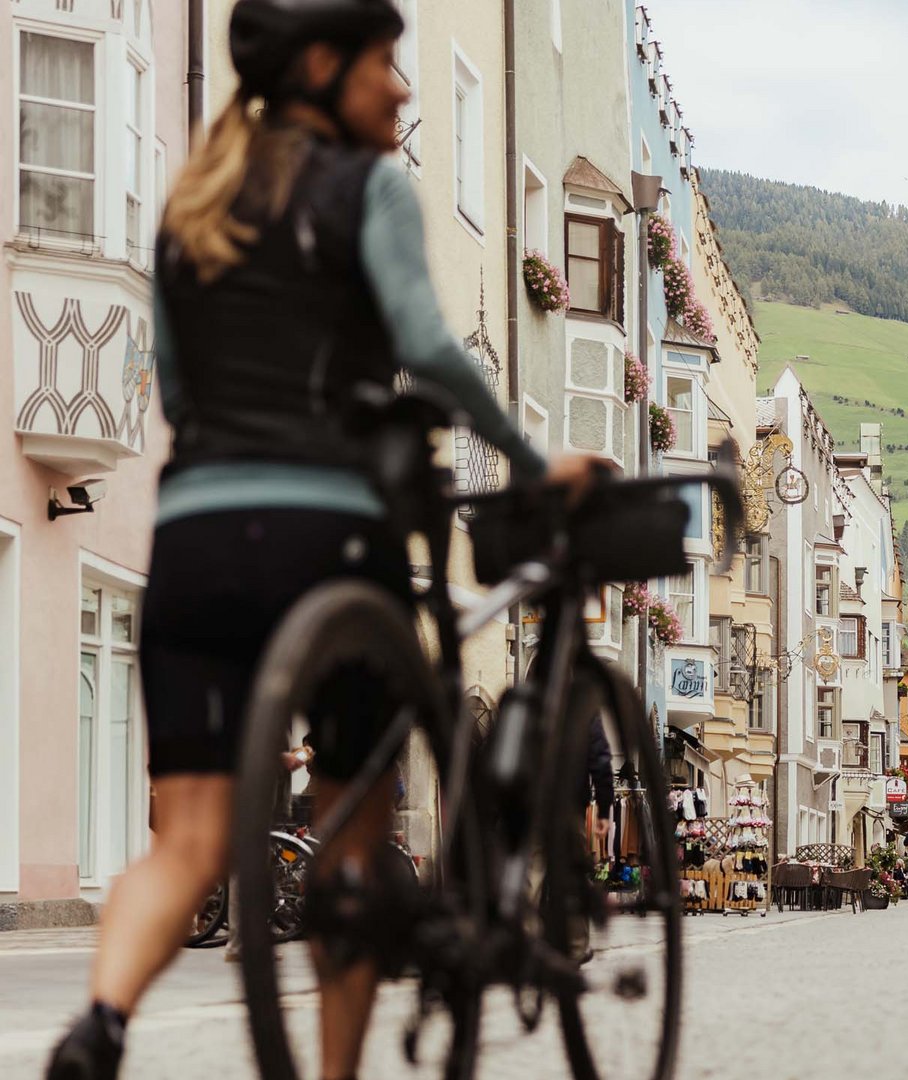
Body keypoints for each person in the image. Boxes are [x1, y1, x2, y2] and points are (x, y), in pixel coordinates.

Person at [44, 3, 600, 1077]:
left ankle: (101, 1022)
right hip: (328, 537)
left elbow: (170, 382)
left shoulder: (186, 214)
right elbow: (430, 348)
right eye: (384, 64)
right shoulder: (366, 189)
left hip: (198, 542)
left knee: (188, 844)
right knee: (348, 839)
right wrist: (533, 468)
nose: (400, 90)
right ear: (318, 67)